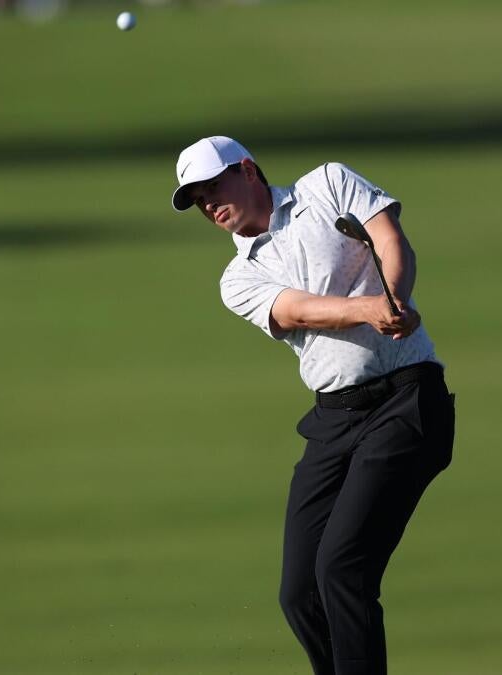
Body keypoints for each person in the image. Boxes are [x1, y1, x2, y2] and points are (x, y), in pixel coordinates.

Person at [171, 136, 456, 675]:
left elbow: (389, 239)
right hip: (335, 419)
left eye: (213, 187)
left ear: (247, 169)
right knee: (300, 592)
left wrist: (394, 298)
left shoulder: (327, 183)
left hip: (407, 400)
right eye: (197, 200)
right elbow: (298, 311)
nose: (208, 204)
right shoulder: (238, 278)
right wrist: (370, 308)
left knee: (342, 567)